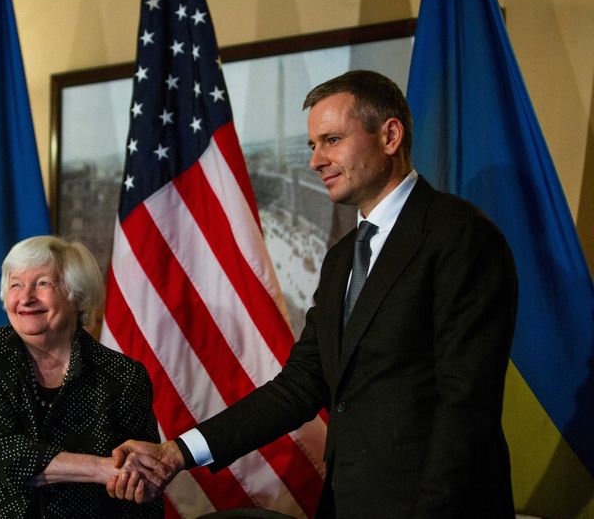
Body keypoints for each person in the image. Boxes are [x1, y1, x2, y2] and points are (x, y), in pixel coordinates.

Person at [107, 70, 518, 518]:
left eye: (332, 140)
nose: (315, 161)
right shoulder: (343, 257)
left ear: (390, 136)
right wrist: (177, 453)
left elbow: (465, 404)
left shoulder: (459, 236)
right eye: (312, 145)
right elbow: (300, 386)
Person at [0, 235, 163, 517]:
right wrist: (101, 469)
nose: (26, 297)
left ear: (77, 296)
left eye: (42, 283)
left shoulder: (123, 376)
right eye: (16, 284)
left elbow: (141, 483)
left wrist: (132, 480)